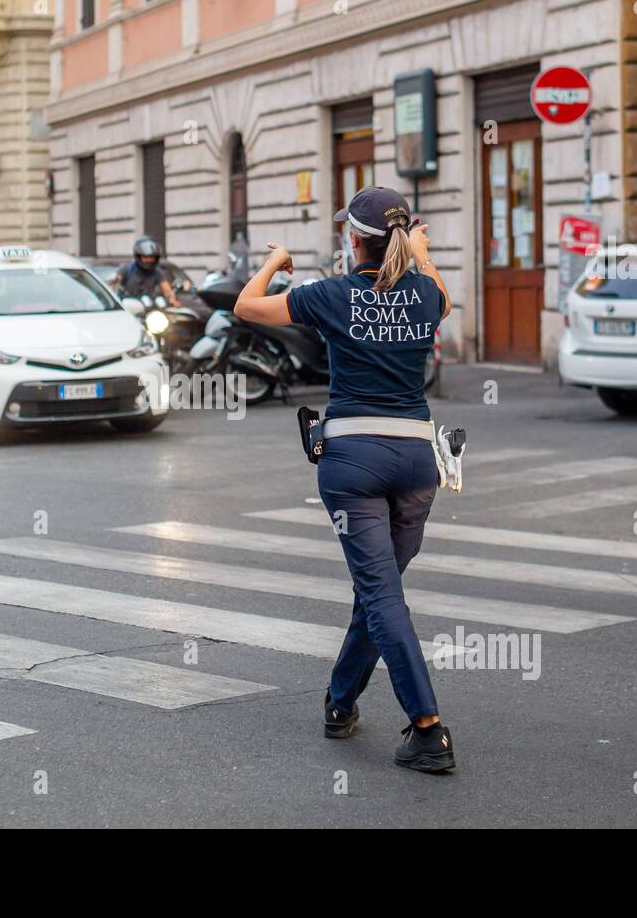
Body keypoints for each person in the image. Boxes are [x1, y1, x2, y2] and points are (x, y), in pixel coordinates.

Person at [233, 185, 456, 774]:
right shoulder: (426, 293)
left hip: (352, 461)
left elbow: (246, 308)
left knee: (381, 594)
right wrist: (423, 251)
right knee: (377, 593)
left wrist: (273, 266)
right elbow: (443, 299)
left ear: (353, 240)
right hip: (415, 461)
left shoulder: (330, 295)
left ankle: (428, 729)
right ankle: (340, 702)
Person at [113, 235, 181, 306]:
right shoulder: (127, 269)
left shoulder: (157, 272)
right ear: (138, 256)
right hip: (128, 307)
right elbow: (112, 285)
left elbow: (167, 290)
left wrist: (173, 301)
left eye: (152, 257)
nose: (149, 260)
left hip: (148, 307)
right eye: (145, 257)